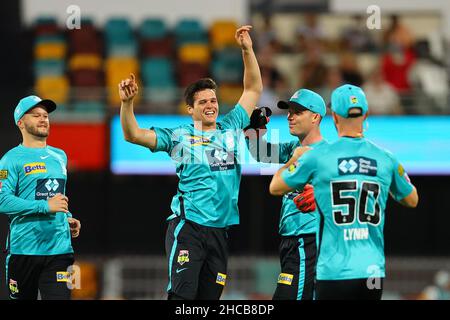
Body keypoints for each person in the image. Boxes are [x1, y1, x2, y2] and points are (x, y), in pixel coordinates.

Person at [118, 25, 262, 300]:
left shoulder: (231, 126)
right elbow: (133, 135)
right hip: (189, 228)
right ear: (190, 109)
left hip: (220, 231)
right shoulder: (179, 136)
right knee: (183, 298)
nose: (211, 105)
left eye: (214, 100)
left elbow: (253, 88)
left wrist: (247, 49)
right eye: (203, 101)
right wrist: (127, 103)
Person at [269, 84, 419, 300]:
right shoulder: (386, 158)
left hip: (333, 269)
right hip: (372, 271)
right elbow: (411, 199)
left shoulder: (320, 156)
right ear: (365, 114)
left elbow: (275, 186)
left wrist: (293, 161)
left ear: (334, 117)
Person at [246, 89, 328, 300]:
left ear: (315, 117)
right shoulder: (294, 147)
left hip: (308, 239)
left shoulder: (328, 154)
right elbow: (260, 152)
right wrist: (254, 127)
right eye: (289, 111)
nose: (290, 116)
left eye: (298, 112)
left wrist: (321, 194)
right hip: (292, 240)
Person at [0, 95, 81, 300]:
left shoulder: (60, 156)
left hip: (60, 250)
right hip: (24, 250)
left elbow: (57, 196)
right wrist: (45, 206)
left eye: (45, 115)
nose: (43, 119)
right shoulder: (10, 159)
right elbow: (2, 200)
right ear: (20, 123)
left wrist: (68, 217)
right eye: (36, 115)